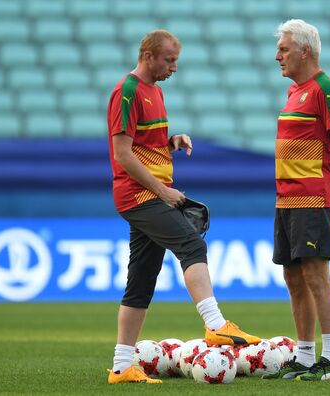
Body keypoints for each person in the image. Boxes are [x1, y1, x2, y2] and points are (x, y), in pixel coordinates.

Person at [106, 30, 260, 385]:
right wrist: (163, 191)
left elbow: (144, 144)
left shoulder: (154, 92)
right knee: (192, 244)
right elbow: (122, 153)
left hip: (147, 194)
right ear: (148, 56)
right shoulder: (127, 91)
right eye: (168, 60)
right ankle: (216, 325)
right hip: (140, 196)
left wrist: (169, 142)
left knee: (141, 281)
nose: (174, 67)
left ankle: (121, 366)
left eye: (176, 60)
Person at [263, 19, 330, 381]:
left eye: (283, 49)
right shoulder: (295, 92)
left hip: (311, 198)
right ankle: (304, 356)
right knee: (293, 276)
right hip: (286, 199)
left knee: (316, 275)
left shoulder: (325, 89)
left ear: (305, 51)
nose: (277, 57)